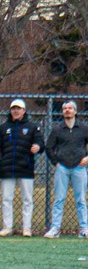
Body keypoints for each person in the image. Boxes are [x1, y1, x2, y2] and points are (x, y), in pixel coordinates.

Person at [0, 98, 42, 237]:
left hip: (25, 168)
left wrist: (37, 147)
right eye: (13, 108)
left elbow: (40, 142)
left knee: (27, 199)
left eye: (18, 108)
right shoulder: (3, 128)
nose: (16, 111)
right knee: (7, 198)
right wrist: (0, 162)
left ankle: (27, 228)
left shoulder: (32, 127)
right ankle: (7, 227)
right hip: (7, 169)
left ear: (24, 111)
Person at [46, 100, 86, 237]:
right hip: (62, 168)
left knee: (81, 200)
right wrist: (56, 162)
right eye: (64, 109)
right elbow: (49, 147)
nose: (67, 111)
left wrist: (86, 159)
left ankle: (84, 229)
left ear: (75, 111)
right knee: (59, 199)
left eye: (70, 108)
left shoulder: (84, 128)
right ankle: (55, 228)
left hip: (79, 168)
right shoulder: (57, 129)